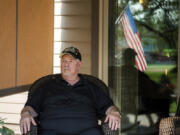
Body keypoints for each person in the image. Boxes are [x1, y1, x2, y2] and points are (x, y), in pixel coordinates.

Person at [20, 47, 121, 135]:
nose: (66, 65)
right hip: (51, 131)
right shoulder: (46, 86)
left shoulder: (92, 87)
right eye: (63, 61)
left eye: (70, 61)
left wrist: (114, 112)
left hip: (88, 131)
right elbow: (30, 107)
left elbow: (109, 107)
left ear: (79, 64)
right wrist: (25, 114)